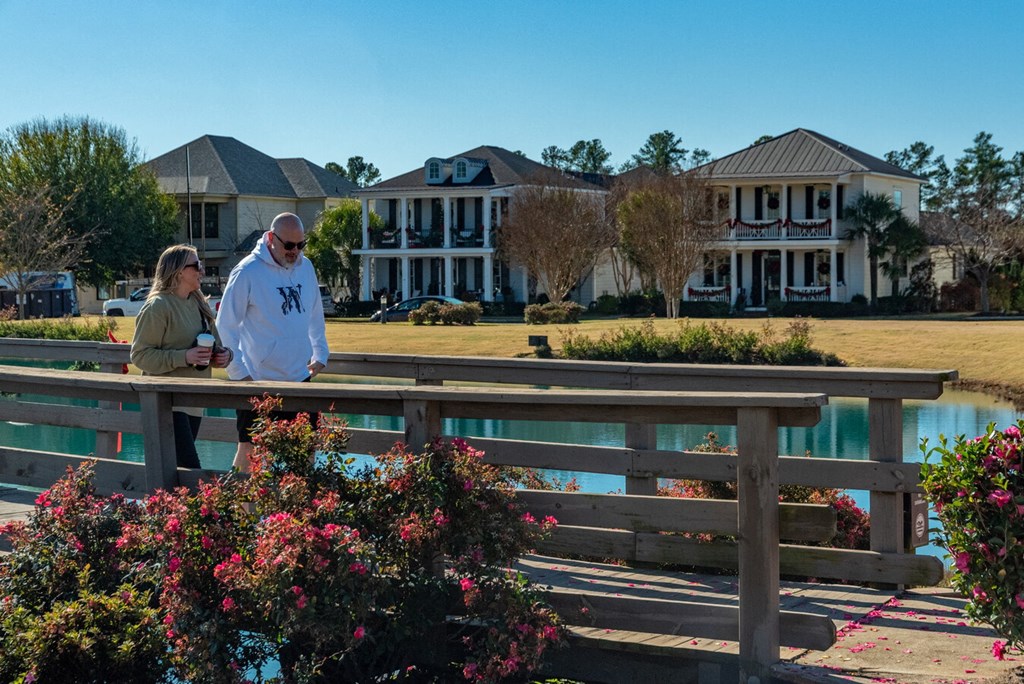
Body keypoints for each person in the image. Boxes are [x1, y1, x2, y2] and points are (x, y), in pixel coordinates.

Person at [216, 212, 329, 471]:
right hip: (258, 383)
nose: (295, 251)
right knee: (250, 457)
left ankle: (298, 513)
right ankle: (241, 513)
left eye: (301, 245)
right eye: (288, 245)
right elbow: (226, 325)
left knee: (304, 456)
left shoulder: (306, 267)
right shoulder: (247, 271)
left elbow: (314, 313)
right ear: (270, 238)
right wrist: (239, 374)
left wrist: (320, 353)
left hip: (300, 381)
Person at [130, 245, 232, 468]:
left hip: (194, 400)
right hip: (167, 402)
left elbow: (218, 346)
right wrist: (184, 357)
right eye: (196, 265)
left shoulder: (199, 304)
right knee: (190, 471)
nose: (202, 270)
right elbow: (140, 356)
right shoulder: (157, 307)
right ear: (178, 272)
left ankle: (161, 504)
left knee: (176, 474)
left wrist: (224, 356)